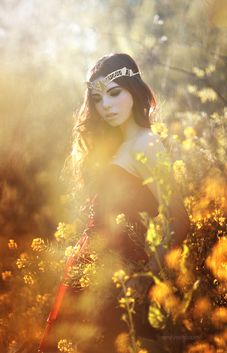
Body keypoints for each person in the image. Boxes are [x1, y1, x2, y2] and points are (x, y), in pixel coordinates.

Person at [39, 53, 190, 353]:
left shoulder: (148, 143)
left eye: (114, 92)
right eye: (97, 98)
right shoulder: (116, 145)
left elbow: (180, 219)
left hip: (121, 278)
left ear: (133, 90)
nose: (105, 105)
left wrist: (145, 277)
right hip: (92, 270)